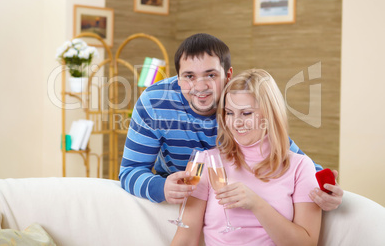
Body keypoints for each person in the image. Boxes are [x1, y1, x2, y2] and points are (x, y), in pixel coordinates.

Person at [119, 33, 343, 210]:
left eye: (211, 75)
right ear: (178, 78)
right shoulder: (154, 102)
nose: (200, 87)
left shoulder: (240, 101)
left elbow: (290, 154)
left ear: (228, 75)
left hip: (233, 198)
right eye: (189, 76)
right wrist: (161, 188)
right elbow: (129, 171)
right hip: (183, 196)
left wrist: (327, 188)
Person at [171, 69, 322, 246]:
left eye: (246, 113)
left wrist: (256, 204)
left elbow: (306, 243)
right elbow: (185, 239)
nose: (236, 123)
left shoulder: (301, 167)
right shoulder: (208, 162)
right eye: (229, 113)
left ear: (270, 114)